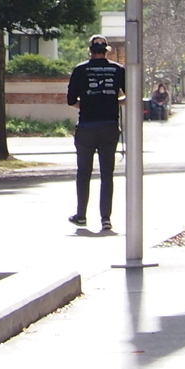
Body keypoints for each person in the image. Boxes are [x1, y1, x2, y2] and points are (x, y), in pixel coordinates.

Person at [67, 35, 125, 231]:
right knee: (107, 173)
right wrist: (111, 101)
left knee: (83, 172)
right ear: (106, 51)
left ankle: (81, 215)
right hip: (109, 126)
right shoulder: (117, 70)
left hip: (86, 127)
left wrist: (90, 103)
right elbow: (129, 94)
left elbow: (71, 100)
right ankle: (105, 219)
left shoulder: (80, 70)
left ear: (89, 51)